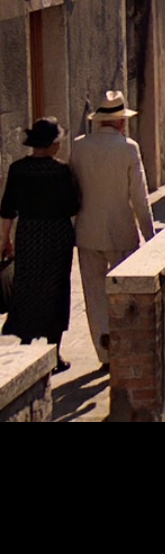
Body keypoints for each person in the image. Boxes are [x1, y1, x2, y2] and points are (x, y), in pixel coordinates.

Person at [68, 91, 156, 369]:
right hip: (121, 232)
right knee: (124, 293)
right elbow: (139, 197)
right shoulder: (128, 148)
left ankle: (105, 352)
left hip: (88, 231)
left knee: (94, 295)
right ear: (121, 122)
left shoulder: (79, 147)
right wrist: (150, 235)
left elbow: (73, 191)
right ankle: (122, 349)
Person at [0, 118, 82, 374]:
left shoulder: (17, 169)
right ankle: (54, 352)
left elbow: (7, 209)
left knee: (27, 285)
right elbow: (73, 206)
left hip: (29, 234)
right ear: (51, 144)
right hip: (56, 236)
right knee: (56, 289)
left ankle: (24, 344)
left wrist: (5, 239)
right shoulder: (61, 171)